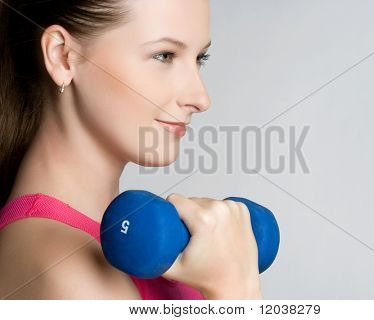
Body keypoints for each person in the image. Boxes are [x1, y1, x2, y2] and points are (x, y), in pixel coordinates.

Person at [0, 0, 262, 300]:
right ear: (63, 57)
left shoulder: (117, 241)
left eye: (200, 58)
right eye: (164, 55)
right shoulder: (65, 273)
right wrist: (234, 291)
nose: (201, 98)